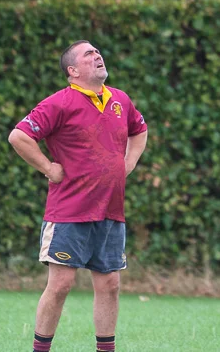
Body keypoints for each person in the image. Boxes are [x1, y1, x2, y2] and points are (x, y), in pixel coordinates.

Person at [8, 41, 148, 352]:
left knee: (110, 285)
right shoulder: (58, 103)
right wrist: (48, 167)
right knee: (60, 286)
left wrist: (129, 162)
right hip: (69, 210)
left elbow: (140, 130)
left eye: (97, 52)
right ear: (73, 71)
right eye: (89, 54)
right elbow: (19, 136)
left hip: (111, 209)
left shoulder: (120, 100)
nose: (97, 55)